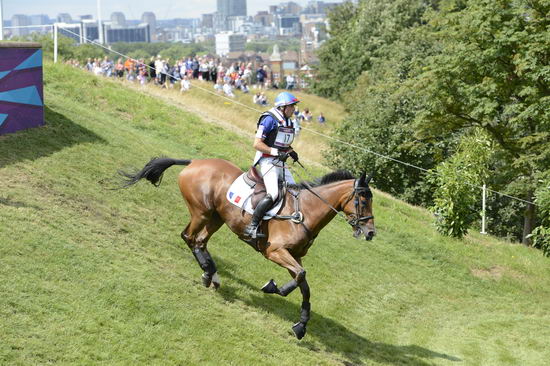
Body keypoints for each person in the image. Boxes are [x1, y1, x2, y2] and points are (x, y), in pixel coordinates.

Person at [243, 92, 300, 239]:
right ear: (283, 107)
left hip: (279, 161)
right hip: (267, 161)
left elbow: (281, 141)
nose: (294, 109)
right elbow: (257, 144)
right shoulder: (268, 119)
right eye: (292, 106)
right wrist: (275, 152)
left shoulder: (287, 121)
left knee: (295, 191)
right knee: (274, 193)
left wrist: (290, 150)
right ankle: (252, 226)